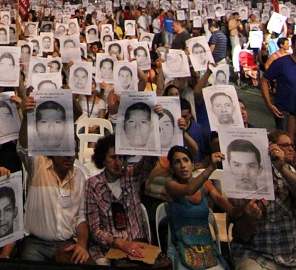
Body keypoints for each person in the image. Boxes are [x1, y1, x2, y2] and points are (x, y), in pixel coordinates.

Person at [17, 94, 90, 263]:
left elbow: (81, 217)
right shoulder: (37, 164)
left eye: (74, 151)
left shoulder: (81, 176)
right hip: (36, 244)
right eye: (66, 150)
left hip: (67, 244)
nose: (69, 156)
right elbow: (22, 146)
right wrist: (27, 116)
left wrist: (82, 244)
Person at [84, 135, 157, 263]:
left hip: (137, 243)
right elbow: (95, 230)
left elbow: (149, 160)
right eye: (113, 157)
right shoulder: (93, 185)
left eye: (121, 157)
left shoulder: (131, 175)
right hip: (108, 248)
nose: (118, 162)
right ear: (103, 159)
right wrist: (121, 243)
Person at [162, 145, 232, 270]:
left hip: (206, 248)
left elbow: (226, 206)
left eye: (186, 160)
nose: (183, 165)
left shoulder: (205, 184)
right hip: (182, 248)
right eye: (177, 162)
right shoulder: (170, 185)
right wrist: (211, 167)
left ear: (192, 164)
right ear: (172, 168)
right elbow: (189, 189)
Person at [261, 34, 296, 130]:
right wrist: (269, 104)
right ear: (292, 47)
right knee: (285, 141)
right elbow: (264, 81)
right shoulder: (280, 63)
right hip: (284, 111)